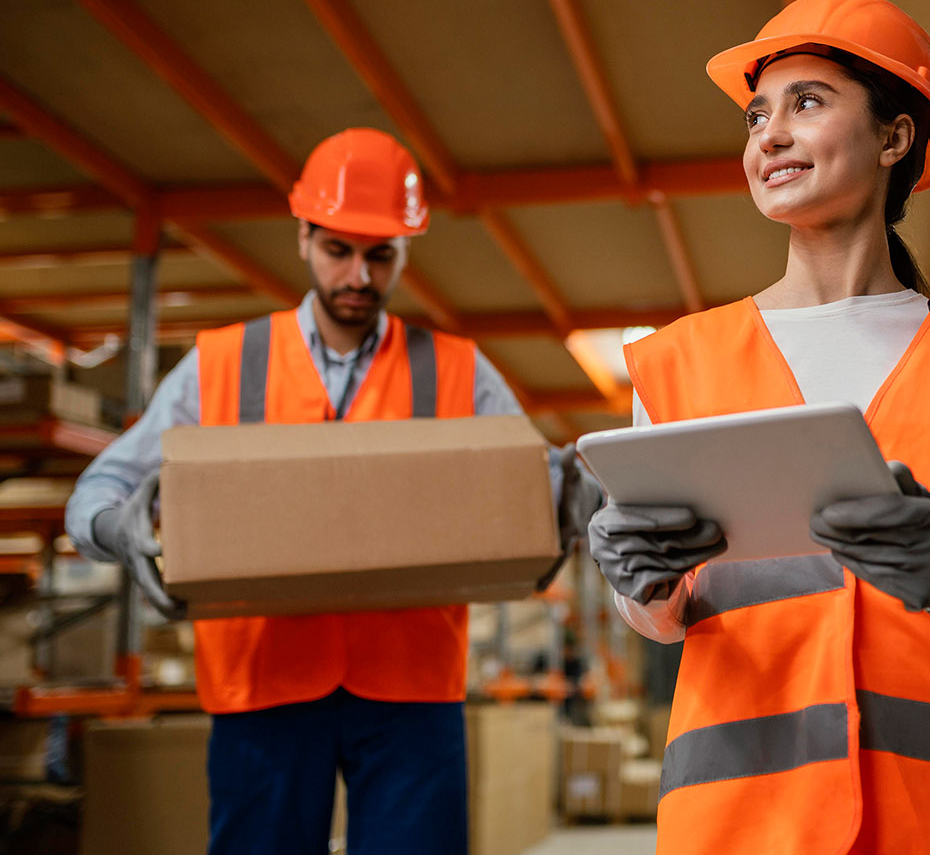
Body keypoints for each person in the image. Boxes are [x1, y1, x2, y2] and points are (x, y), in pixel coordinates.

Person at [588, 0, 930, 854]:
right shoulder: (674, 364)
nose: (768, 136)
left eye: (805, 103)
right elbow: (662, 617)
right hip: (745, 821)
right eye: (755, 116)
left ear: (893, 138)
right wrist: (641, 585)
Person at [66, 127, 601, 855]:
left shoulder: (456, 370)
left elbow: (535, 475)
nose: (357, 275)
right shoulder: (221, 364)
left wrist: (585, 489)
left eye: (379, 255)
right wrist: (115, 530)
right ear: (302, 237)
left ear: (404, 251)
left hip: (411, 691)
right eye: (337, 250)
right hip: (263, 686)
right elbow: (102, 485)